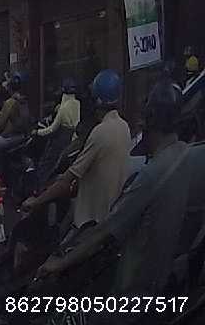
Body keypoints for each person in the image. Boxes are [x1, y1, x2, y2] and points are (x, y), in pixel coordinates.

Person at [37, 80, 191, 300]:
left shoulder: (148, 171)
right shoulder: (182, 154)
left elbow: (103, 231)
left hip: (130, 284)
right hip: (161, 276)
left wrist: (60, 264)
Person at [23, 70, 132, 234]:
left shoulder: (100, 132)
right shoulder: (124, 127)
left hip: (90, 223)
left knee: (61, 250)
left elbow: (66, 179)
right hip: (111, 216)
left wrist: (36, 201)